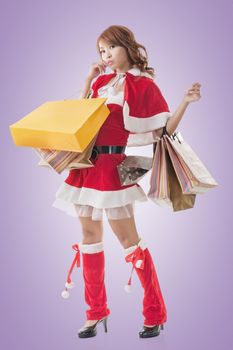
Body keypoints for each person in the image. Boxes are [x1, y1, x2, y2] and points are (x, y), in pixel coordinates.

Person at [53, 25, 201, 339]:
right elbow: (77, 120)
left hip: (115, 167)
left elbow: (163, 131)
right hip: (87, 166)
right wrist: (87, 82)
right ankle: (95, 313)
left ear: (126, 47)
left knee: (130, 242)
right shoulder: (101, 83)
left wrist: (185, 103)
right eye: (101, 51)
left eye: (110, 49)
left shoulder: (143, 85)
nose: (105, 57)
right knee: (89, 237)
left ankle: (155, 313)